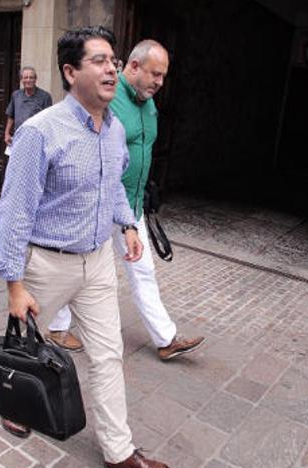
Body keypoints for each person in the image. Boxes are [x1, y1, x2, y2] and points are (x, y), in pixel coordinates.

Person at [0, 26, 171, 468]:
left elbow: (111, 189)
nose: (111, 68)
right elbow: (14, 213)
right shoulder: (40, 132)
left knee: (108, 356)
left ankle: (119, 451)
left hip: (96, 264)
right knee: (24, 347)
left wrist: (128, 224)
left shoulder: (114, 132)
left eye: (113, 60)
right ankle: (16, 403)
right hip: (46, 263)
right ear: (71, 72)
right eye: (99, 60)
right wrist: (14, 284)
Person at [48, 40, 205, 361]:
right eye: (155, 74)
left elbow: (139, 149)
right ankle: (56, 326)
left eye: (163, 76)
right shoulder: (107, 97)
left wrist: (144, 192)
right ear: (133, 67)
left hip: (131, 207)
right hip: (98, 207)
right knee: (80, 269)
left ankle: (166, 339)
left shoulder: (149, 104)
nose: (160, 82)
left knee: (143, 270)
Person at [3, 66, 52, 146]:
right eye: (25, 78)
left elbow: (49, 121)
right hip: (18, 138)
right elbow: (11, 116)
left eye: (31, 78)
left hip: (36, 140)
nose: (28, 80)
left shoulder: (45, 97)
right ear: (21, 80)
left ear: (35, 79)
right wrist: (7, 133)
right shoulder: (16, 95)